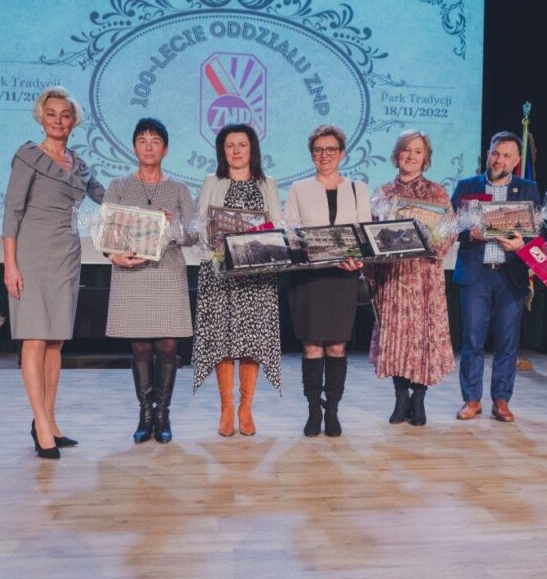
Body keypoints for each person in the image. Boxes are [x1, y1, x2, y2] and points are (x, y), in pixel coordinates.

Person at [2, 86, 105, 459]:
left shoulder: (80, 165)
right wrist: (10, 264)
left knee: (56, 341)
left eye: (65, 115)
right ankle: (41, 427)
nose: (58, 120)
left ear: (74, 121)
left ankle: (48, 420)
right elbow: (12, 212)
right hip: (32, 254)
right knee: (34, 338)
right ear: (41, 118)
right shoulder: (28, 157)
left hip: (67, 255)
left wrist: (149, 210)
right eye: (52, 114)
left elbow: (107, 199)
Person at [104, 118, 195, 444]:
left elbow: (193, 234)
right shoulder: (118, 186)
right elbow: (105, 232)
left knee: (168, 345)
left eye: (155, 141)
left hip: (167, 273)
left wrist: (174, 225)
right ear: (134, 147)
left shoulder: (179, 189)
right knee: (140, 345)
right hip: (132, 275)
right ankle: (145, 413)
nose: (148, 146)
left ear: (165, 149)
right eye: (142, 140)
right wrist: (113, 255)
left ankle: (163, 414)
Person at [193, 124, 283, 437]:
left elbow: (276, 225)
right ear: (222, 150)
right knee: (222, 341)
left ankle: (246, 408)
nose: (236, 150)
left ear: (252, 149)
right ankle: (226, 408)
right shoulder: (212, 181)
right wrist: (216, 242)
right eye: (229, 145)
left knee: (251, 341)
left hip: (256, 276)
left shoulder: (268, 183)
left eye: (242, 144)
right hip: (219, 273)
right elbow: (200, 225)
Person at [284, 125, 372, 437]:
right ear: (312, 155)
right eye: (318, 150)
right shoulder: (298, 188)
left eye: (331, 149)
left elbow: (364, 234)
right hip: (309, 279)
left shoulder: (358, 188)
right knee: (311, 347)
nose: (325, 155)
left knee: (336, 347)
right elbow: (291, 233)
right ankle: (313, 411)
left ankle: (332, 410)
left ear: (342, 153)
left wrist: (358, 259)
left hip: (342, 278)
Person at [451, 131, 541, 423]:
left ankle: (501, 400)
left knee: (507, 342)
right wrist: (471, 234)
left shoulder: (527, 189)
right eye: (495, 153)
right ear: (488, 154)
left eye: (506, 155)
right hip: (476, 275)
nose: (499, 160)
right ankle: (471, 399)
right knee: (472, 340)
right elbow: (450, 227)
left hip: (510, 276)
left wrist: (522, 245)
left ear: (516, 161)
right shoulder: (467, 186)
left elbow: (537, 232)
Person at [369, 130, 456, 426]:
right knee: (397, 339)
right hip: (393, 277)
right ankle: (400, 398)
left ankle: (418, 399)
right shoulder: (383, 193)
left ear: (425, 158)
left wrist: (432, 242)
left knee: (422, 339)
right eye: (406, 150)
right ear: (397, 154)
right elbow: (372, 233)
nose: (411, 156)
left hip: (424, 278)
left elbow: (449, 232)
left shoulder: (437, 193)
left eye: (418, 151)